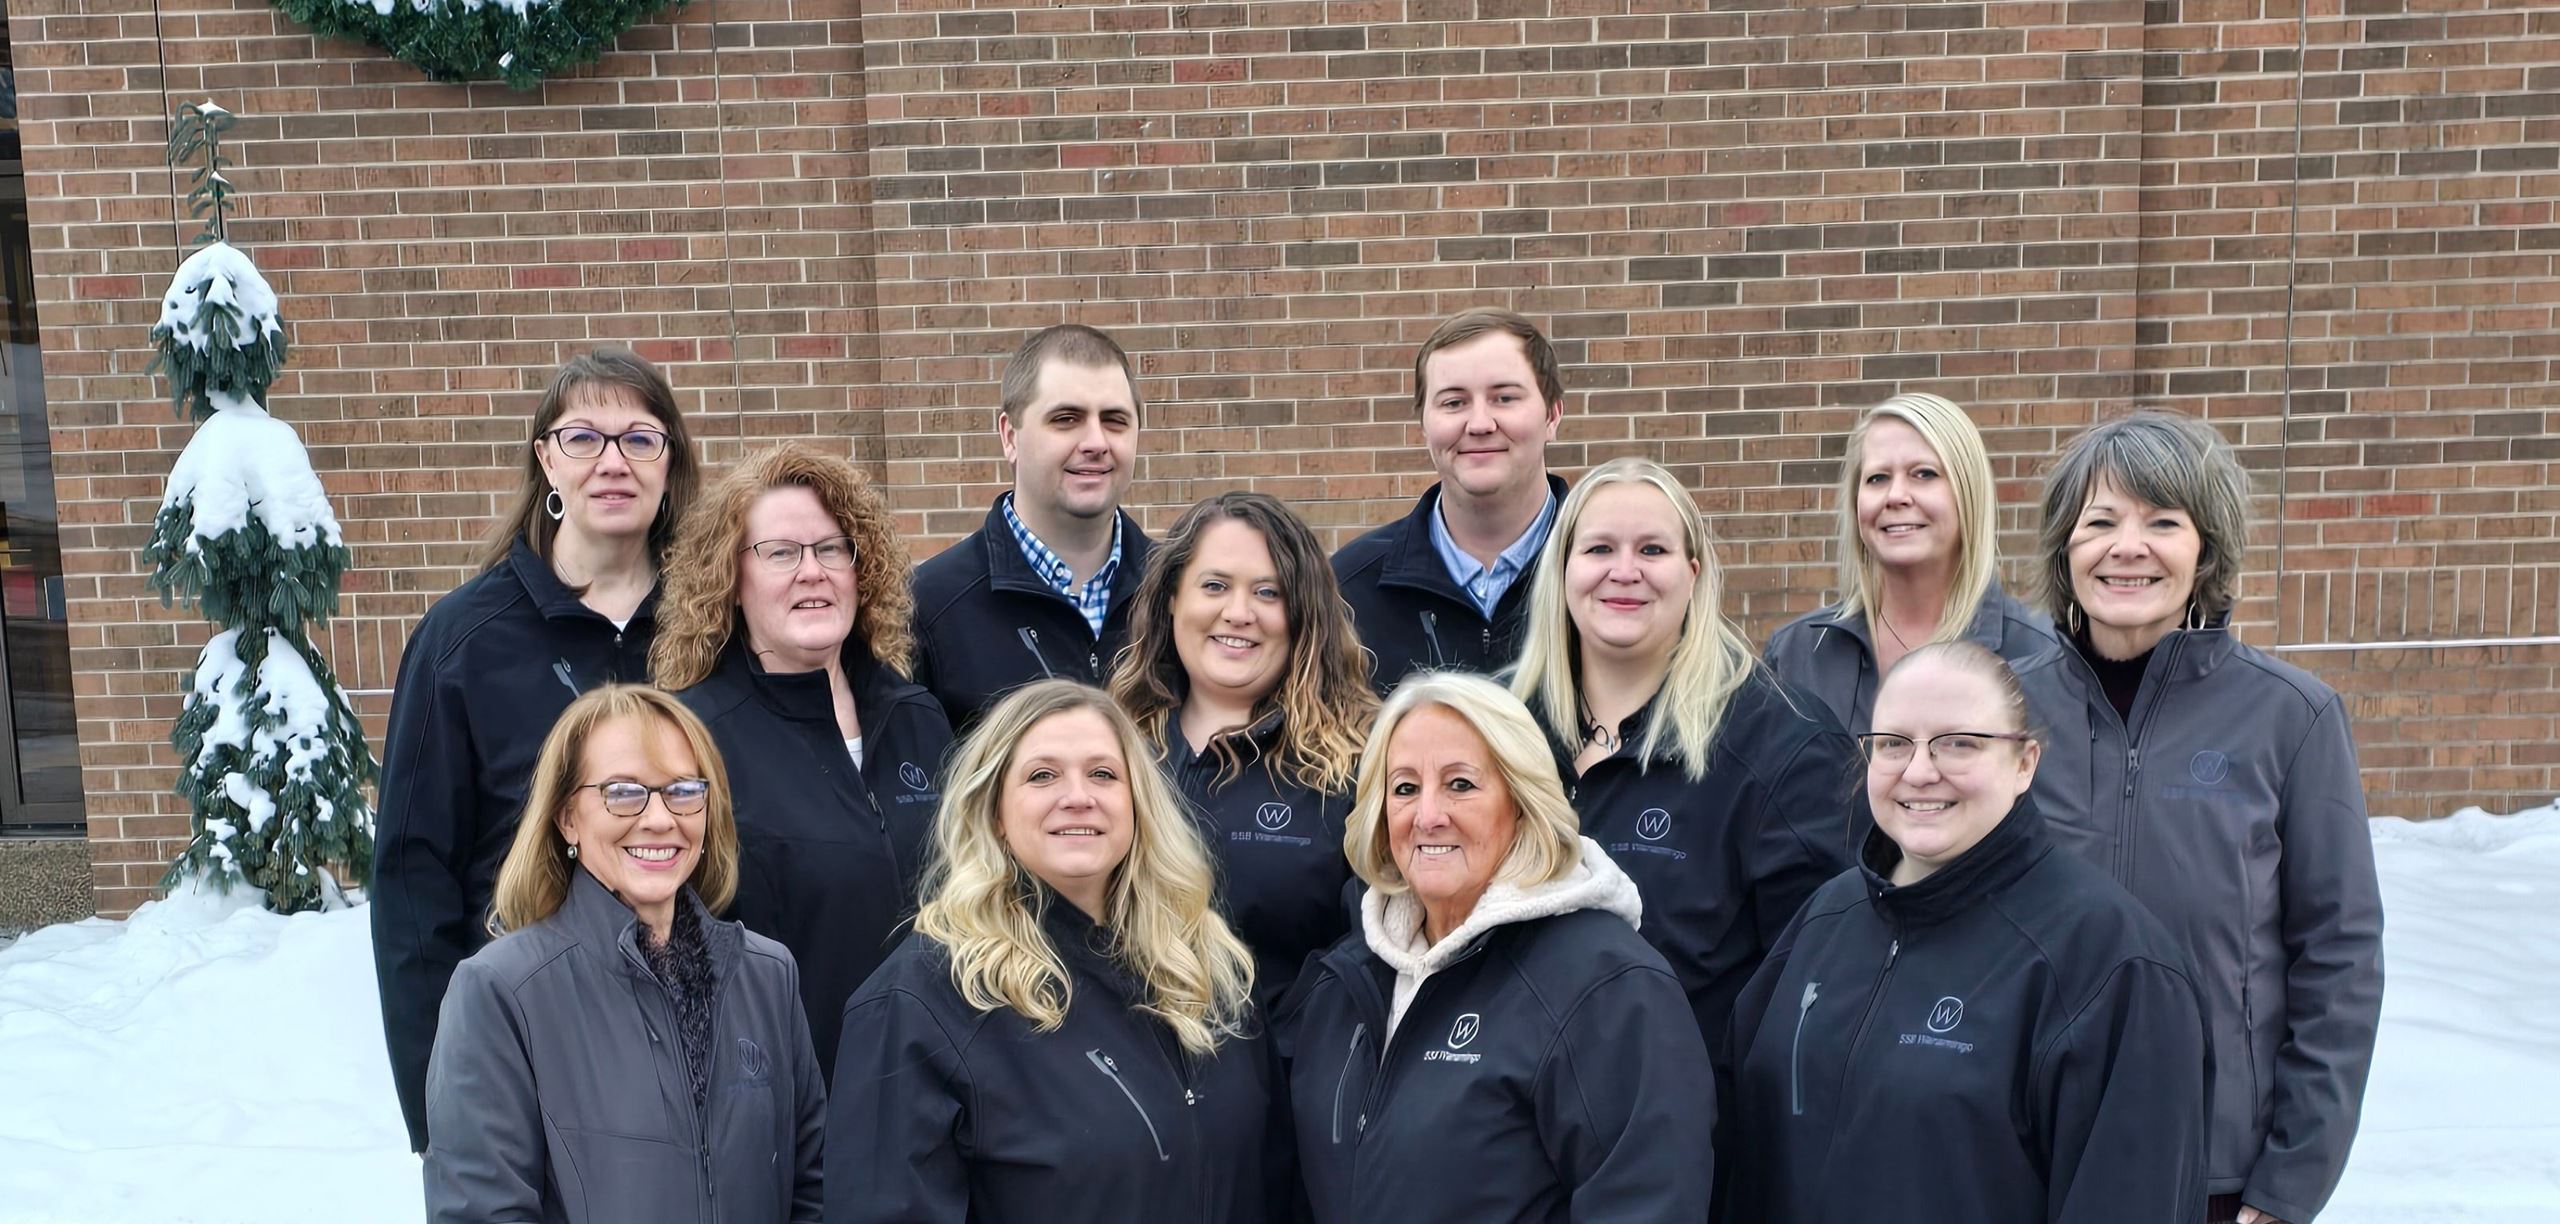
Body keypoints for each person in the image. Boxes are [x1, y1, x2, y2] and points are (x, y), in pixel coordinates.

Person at [2016, 410, 2382, 1224]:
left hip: (2215, 1174)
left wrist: (2293, 1178)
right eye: (2100, 522)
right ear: (2065, 548)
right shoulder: (2005, 712)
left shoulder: (2292, 717)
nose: (2128, 546)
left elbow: (2340, 956)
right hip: (2028, 1159)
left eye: (2162, 522)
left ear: (2206, 550)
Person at [1724, 642, 2209, 1223]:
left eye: (1958, 743)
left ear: (2025, 763)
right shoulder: (1825, 920)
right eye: (1894, 743)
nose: (1919, 771)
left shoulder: (2112, 964)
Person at [372, 348, 700, 1153]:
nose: (613, 461)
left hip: (702, 1042)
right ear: (547, 460)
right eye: (584, 437)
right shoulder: (464, 642)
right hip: (532, 1048)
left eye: (640, 438)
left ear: (670, 465)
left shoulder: (714, 628)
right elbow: (413, 880)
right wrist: (441, 1107)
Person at [826, 680, 1283, 1223]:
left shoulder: (1211, 972)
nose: (1078, 796)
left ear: (1137, 803)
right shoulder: (923, 1000)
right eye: (1042, 775)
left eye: (1103, 774)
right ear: (995, 811)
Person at [1275, 672, 1716, 1222]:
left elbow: (1648, 1203)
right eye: (1405, 788)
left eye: (1460, 784)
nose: (1428, 816)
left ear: (1522, 802)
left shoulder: (1607, 987)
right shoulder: (1343, 983)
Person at [423, 685, 821, 1224]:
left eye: (683, 791)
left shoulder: (768, 977)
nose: (659, 818)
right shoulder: (501, 994)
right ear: (567, 817)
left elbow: (813, 1191)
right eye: (624, 792)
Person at [1509, 457, 1857, 1062]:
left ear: (1693, 573)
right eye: (1599, 549)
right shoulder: (1499, 730)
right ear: (1562, 569)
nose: (1624, 571)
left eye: (1652, 550)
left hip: (1688, 1106)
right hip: (1507, 1099)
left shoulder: (1785, 745)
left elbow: (1816, 993)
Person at [652, 442, 955, 1078]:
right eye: (781, 553)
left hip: (932, 1089)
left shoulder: (917, 717)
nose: (812, 571)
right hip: (783, 1098)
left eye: (831, 549)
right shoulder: (691, 738)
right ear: (731, 580)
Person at [1109, 491, 1377, 1010]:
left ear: (1303, 613)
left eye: (1268, 593)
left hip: (1290, 1057)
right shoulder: (1110, 752)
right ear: (1172, 597)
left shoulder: (1356, 767)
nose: (1238, 613)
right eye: (1214, 586)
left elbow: (1369, 959)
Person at [909, 324, 1155, 732]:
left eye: (1115, 421)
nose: (1096, 442)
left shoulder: (1182, 594)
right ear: (1010, 437)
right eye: (1066, 419)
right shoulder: (928, 609)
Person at [1765, 392, 2060, 731]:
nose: (1896, 496)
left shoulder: (2040, 654)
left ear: (1968, 493)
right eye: (1878, 478)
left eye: (1923, 474)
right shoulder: (1797, 654)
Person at [1333, 308, 1568, 688]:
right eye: (1454, 403)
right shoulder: (1347, 592)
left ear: (1552, 416)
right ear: (1423, 426)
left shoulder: (1612, 580)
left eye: (1505, 397)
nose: (1479, 424)